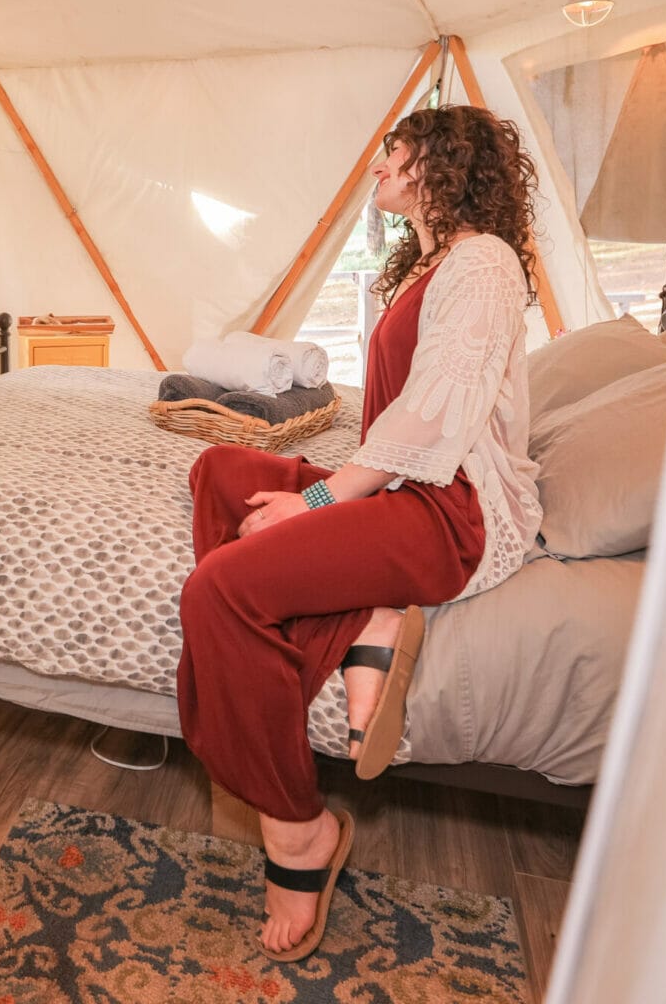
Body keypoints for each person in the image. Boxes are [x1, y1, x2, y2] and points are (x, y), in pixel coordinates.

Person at [176, 105, 545, 961]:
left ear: (438, 164)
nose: (379, 161)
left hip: (452, 510)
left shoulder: (483, 262)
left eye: (396, 149)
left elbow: (430, 416)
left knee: (220, 588)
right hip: (404, 487)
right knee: (220, 471)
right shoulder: (424, 262)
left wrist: (316, 506)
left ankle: (297, 830)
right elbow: (394, 418)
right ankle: (361, 622)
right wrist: (332, 496)